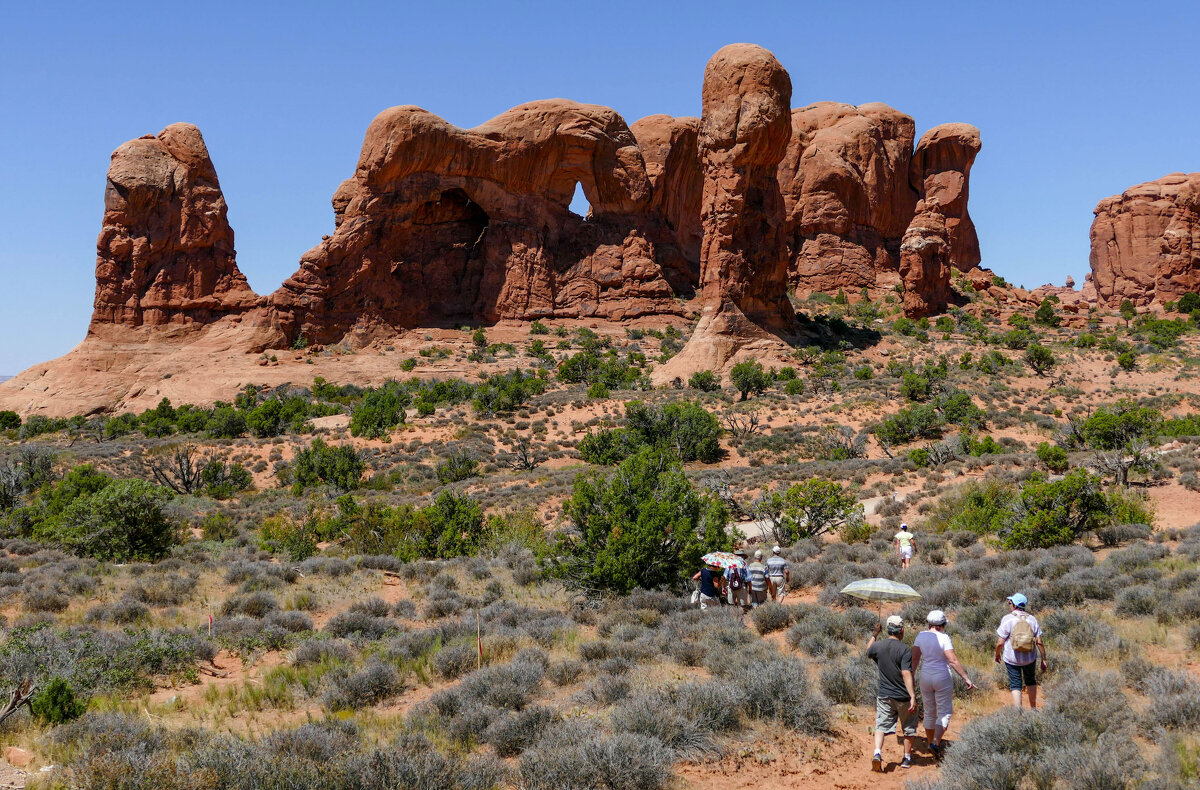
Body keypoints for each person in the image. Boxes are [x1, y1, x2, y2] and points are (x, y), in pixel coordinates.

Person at [912, 610, 974, 760]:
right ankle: (935, 742)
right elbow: (952, 660)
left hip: (925, 676)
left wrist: (911, 676)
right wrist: (966, 677)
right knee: (944, 711)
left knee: (929, 711)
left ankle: (929, 742)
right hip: (942, 676)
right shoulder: (944, 637)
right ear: (941, 625)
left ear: (930, 624)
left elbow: (915, 659)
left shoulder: (920, 636)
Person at [867, 615, 917, 771]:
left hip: (884, 695)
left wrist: (875, 634)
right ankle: (906, 758)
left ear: (888, 629)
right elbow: (906, 673)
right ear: (901, 631)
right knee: (909, 726)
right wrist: (912, 696)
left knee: (880, 725)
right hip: (902, 696)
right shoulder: (904, 649)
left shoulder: (878, 646)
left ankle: (877, 753)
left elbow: (868, 650)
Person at [994, 593, 1047, 709]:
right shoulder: (1032, 619)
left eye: (1010, 603)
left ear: (1014, 605)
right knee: (1031, 681)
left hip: (1012, 659)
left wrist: (997, 655)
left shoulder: (1008, 619)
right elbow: (1039, 642)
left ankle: (1018, 712)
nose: (1009, 605)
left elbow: (1000, 642)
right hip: (1030, 658)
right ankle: (1033, 709)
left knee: (1015, 684)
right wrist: (1044, 659)